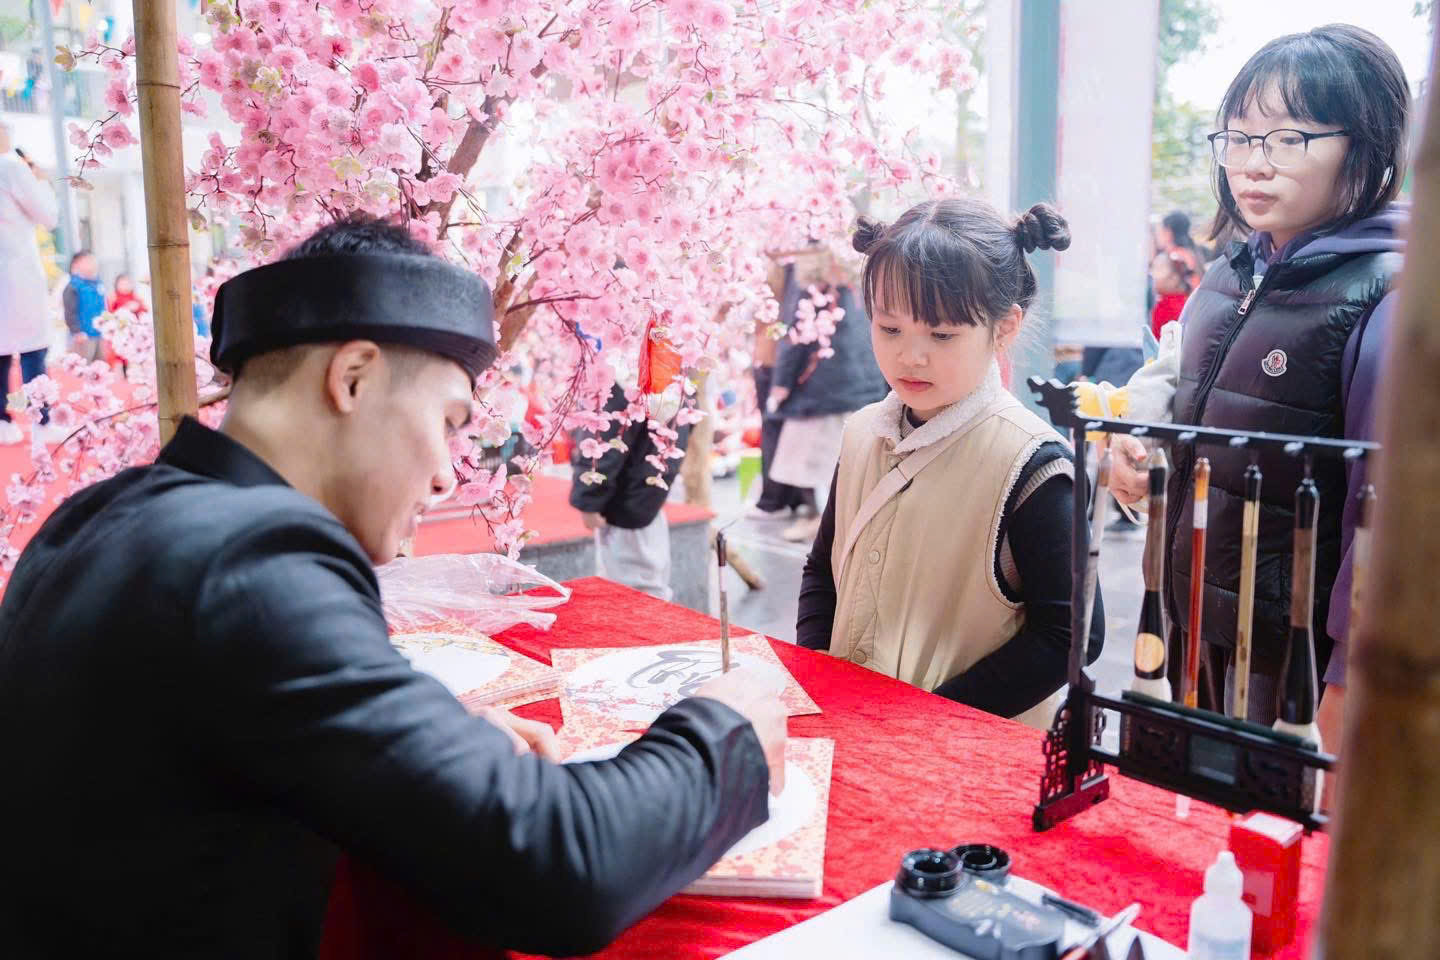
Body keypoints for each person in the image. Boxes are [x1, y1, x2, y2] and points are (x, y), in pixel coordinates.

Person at [0, 216, 785, 956]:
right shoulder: (255, 560)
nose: (447, 475)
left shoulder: (97, 516)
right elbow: (560, 864)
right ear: (353, 377)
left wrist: (426, 740)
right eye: (448, 422)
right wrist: (725, 736)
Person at [1106, 25, 1409, 741]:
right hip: (1192, 623)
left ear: (1366, 145)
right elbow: (1186, 396)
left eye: (1288, 139)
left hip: (1291, 661)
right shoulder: (1229, 273)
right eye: (1239, 138)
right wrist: (1141, 450)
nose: (1252, 165)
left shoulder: (1389, 300)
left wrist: (1346, 684)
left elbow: (1388, 521)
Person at [796, 199, 1104, 728]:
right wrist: (818, 667)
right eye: (889, 328)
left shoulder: (1034, 464)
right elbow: (824, 568)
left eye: (941, 335)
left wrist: (934, 719)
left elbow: (1070, 635)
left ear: (1004, 327)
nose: (910, 356)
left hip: (966, 753)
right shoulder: (862, 432)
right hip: (851, 728)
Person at [767, 253, 889, 543]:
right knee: (852, 462)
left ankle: (817, 520)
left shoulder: (812, 287)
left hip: (820, 389)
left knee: (806, 461)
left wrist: (781, 383)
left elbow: (796, 336)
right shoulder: (865, 285)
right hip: (863, 384)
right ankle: (843, 522)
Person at [571, 382, 692, 602]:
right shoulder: (674, 375)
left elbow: (604, 440)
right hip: (645, 498)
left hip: (626, 504)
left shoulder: (625, 376)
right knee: (647, 586)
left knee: (631, 593)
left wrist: (589, 499)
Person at [0, 120, 59, 445]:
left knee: (1, 353)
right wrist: (40, 182)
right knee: (33, 349)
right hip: (16, 272)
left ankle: (3, 420)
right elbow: (48, 216)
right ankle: (40, 421)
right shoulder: (11, 167)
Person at [749, 260, 816, 520]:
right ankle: (792, 499)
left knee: (775, 432)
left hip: (773, 362)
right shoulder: (793, 270)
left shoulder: (781, 271)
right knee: (787, 432)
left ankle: (773, 501)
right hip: (784, 363)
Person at [62, 249, 105, 362]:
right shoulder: (73, 286)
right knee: (83, 365)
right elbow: (70, 312)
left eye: (93, 261)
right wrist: (77, 331)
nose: (92, 264)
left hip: (98, 334)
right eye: (87, 261)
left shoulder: (97, 284)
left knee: (100, 366)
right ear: (75, 265)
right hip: (83, 336)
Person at [1149, 250, 1193, 340]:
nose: (1152, 274)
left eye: (1159, 269)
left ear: (1174, 278)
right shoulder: (1183, 303)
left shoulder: (1171, 308)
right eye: (1152, 267)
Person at [1157, 210, 1204, 290]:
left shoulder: (1179, 254)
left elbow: (1194, 282)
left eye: (1163, 230)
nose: (1160, 234)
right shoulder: (1192, 251)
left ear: (1169, 231)